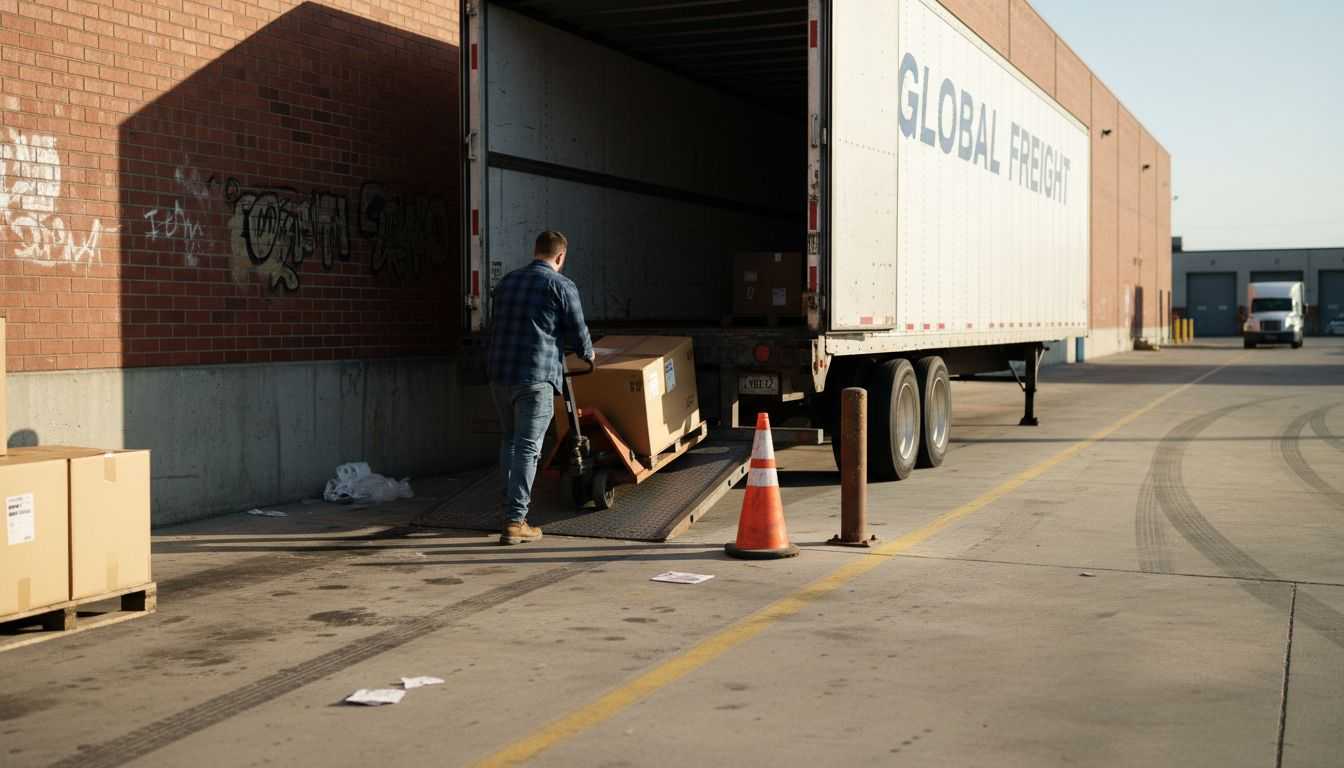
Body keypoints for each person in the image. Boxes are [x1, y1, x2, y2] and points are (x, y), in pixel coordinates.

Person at [488, 230, 593, 545]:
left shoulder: (506, 282)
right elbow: (577, 331)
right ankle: (516, 520)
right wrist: (588, 353)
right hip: (535, 377)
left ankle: (508, 513)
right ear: (560, 256)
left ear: (535, 251)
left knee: (509, 440)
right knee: (527, 447)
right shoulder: (561, 285)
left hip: (499, 374)